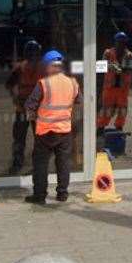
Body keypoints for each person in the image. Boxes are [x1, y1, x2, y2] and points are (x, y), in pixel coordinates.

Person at [23, 49, 81, 204]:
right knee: (63, 163)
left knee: (41, 165)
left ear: (49, 65)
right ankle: (62, 194)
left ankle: (39, 196)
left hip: (45, 131)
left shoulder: (44, 83)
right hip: (64, 131)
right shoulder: (73, 83)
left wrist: (32, 116)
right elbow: (78, 100)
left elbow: (30, 104)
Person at [4, 40, 43, 174]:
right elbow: (9, 85)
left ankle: (25, 164)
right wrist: (15, 98)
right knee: (23, 139)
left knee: (27, 139)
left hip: (32, 109)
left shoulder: (38, 68)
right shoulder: (21, 68)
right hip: (26, 109)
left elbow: (9, 85)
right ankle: (20, 163)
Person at [97, 32, 132, 133]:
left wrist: (119, 69)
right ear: (115, 42)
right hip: (109, 87)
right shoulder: (108, 53)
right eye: (119, 42)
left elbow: (128, 69)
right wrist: (110, 66)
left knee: (122, 110)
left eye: (123, 43)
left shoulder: (129, 55)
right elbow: (100, 67)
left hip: (122, 88)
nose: (121, 45)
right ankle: (100, 127)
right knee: (106, 109)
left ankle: (119, 127)